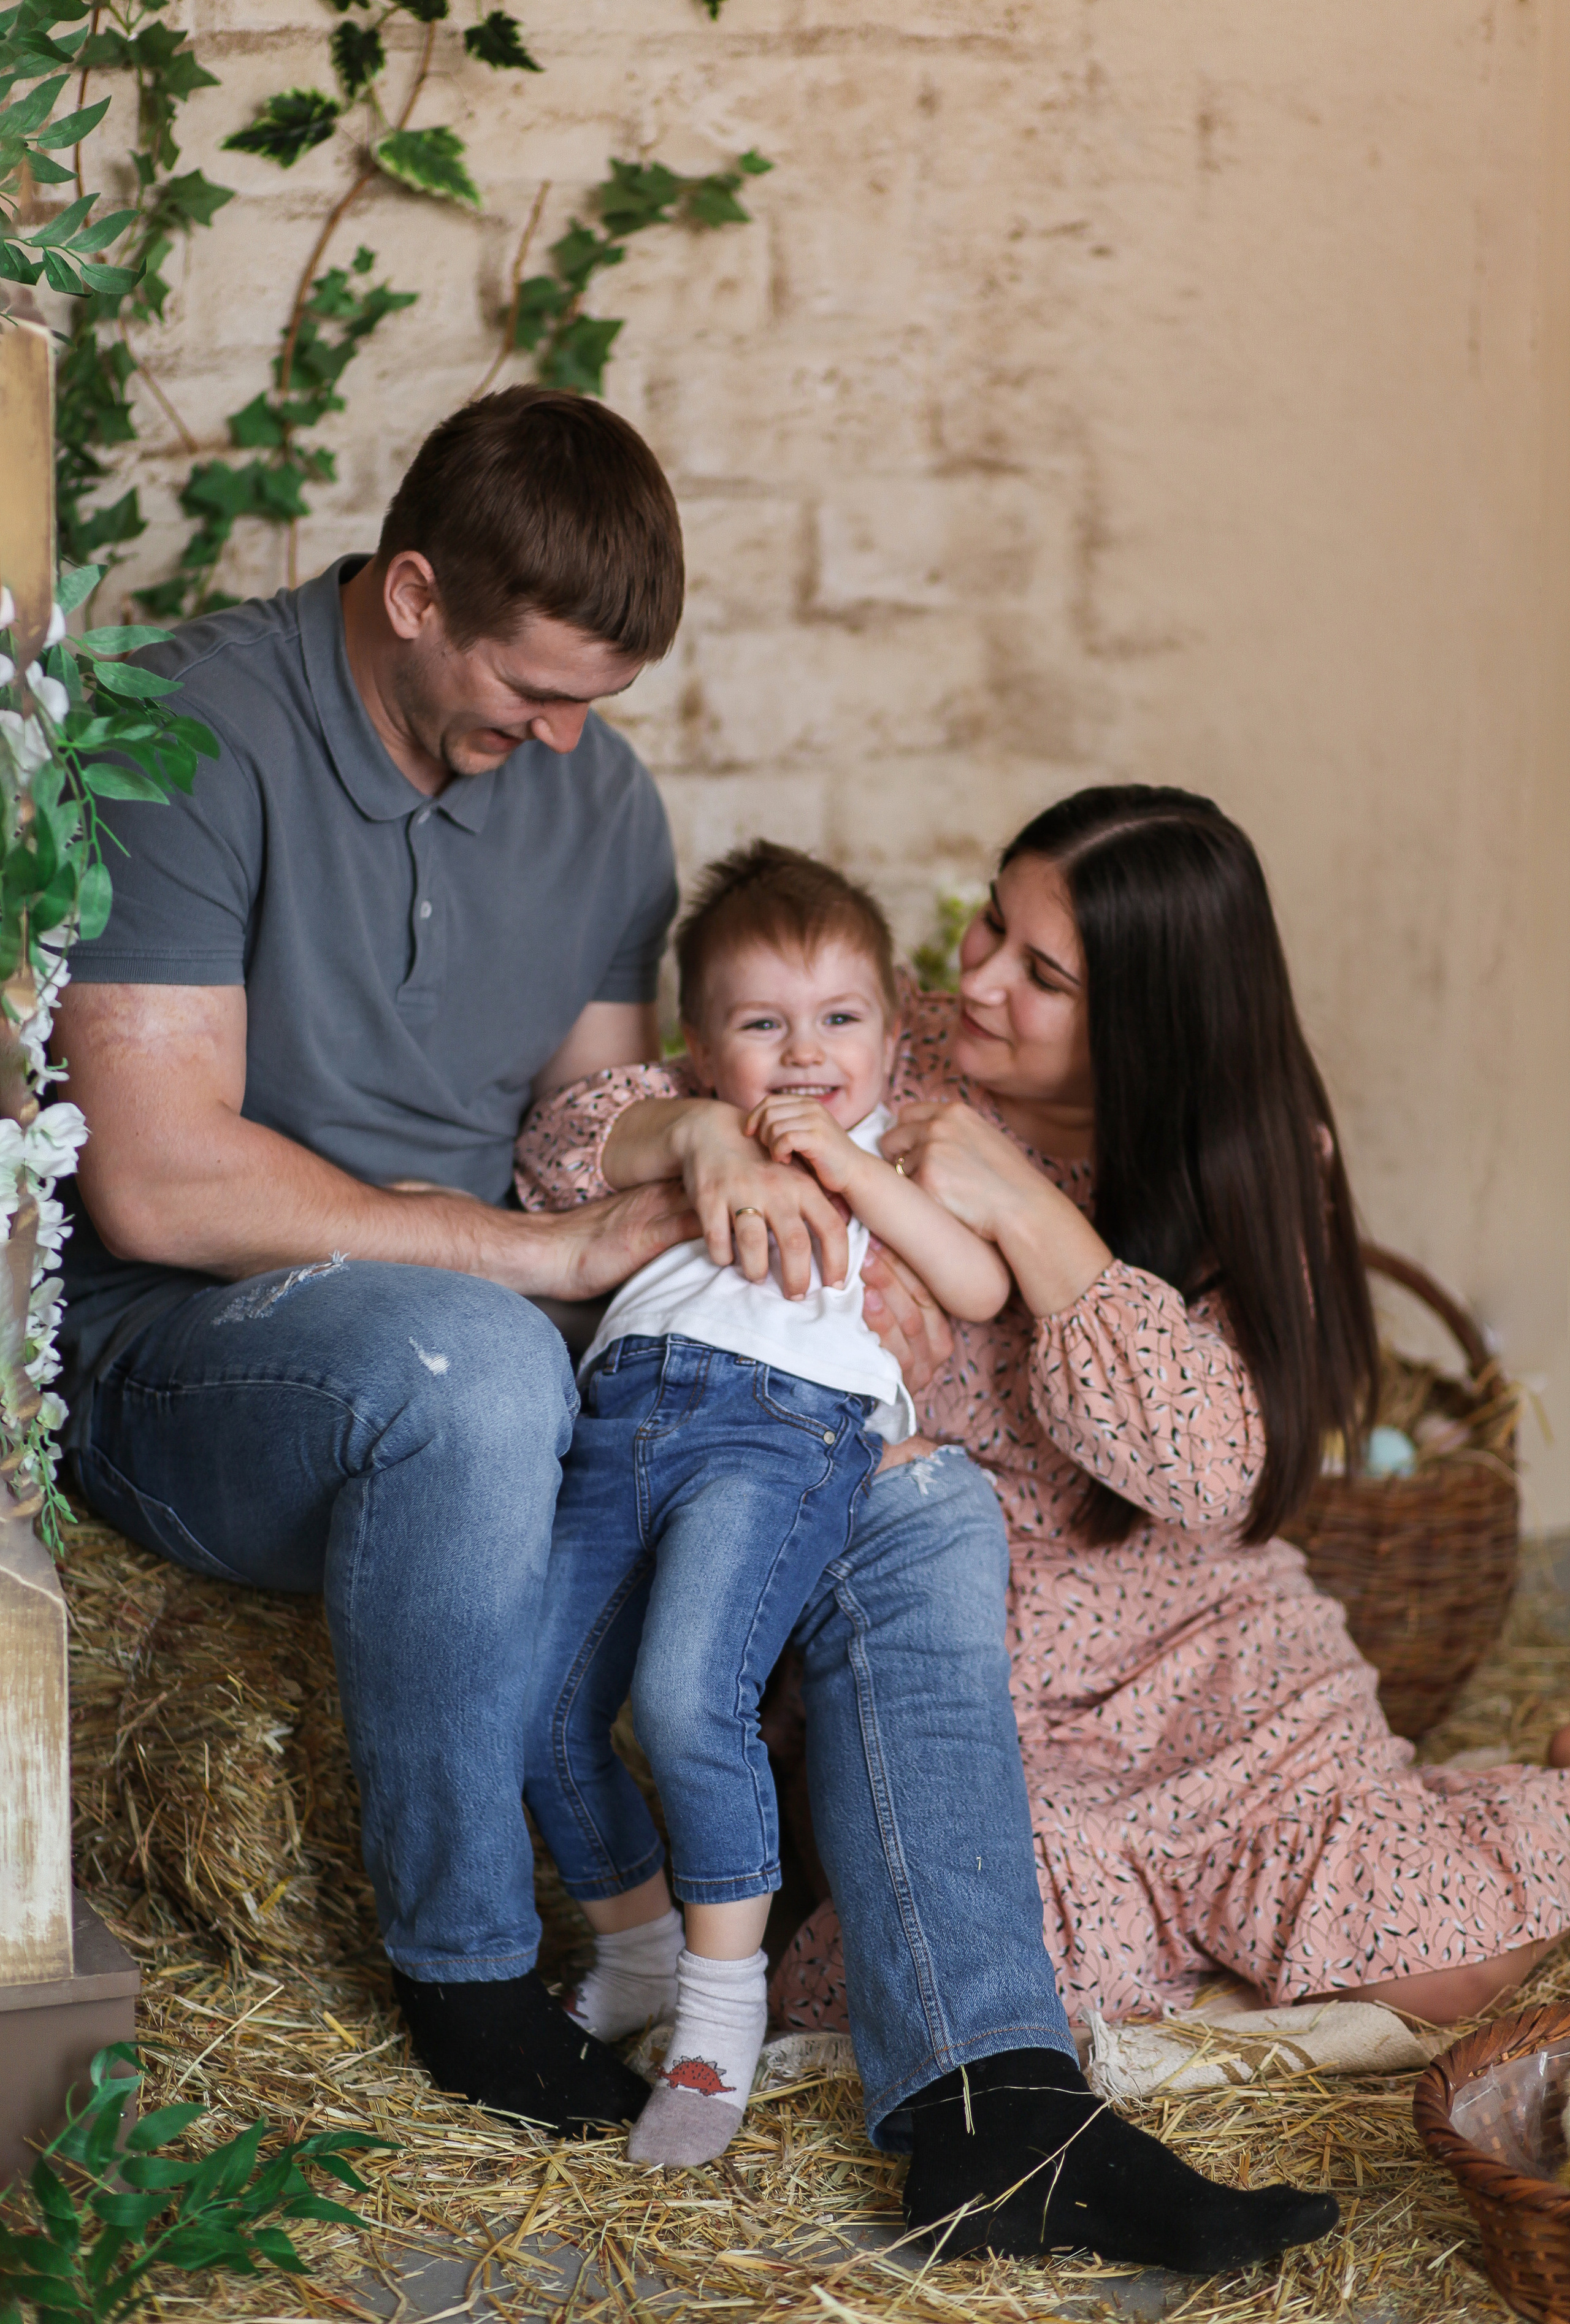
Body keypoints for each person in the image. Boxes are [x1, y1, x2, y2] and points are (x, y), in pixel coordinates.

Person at [55, 393, 1333, 2270]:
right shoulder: (190, 725)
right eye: (536, 694)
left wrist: (694, 1178)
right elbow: (166, 1186)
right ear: (413, 594)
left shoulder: (599, 798)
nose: (568, 743)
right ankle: (479, 1970)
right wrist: (629, 1191)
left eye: (598, 701)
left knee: (918, 1505)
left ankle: (996, 2114)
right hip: (236, 1339)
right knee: (471, 1365)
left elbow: (592, 1120)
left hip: (585, 1340)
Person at [524, 785, 1570, 2087]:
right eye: (985, 926)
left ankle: (1381, 1860)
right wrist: (694, 1134)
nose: (973, 978)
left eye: (1040, 973)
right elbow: (562, 1145)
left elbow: (1212, 1470)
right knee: (925, 1989)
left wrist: (1022, 1206)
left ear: (1144, 1024)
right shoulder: (879, 1046)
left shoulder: (1250, 1153)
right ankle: (1211, 1980)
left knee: (1446, 1957)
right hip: (964, 1665)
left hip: (1207, 1657)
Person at [518, 843, 1012, 2168]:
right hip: (623, 1410)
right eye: (762, 1023)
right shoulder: (682, 1125)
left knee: (687, 1698)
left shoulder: (889, 1148)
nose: (806, 1053)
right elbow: (546, 1155)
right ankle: (629, 1952)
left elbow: (973, 1288)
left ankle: (713, 2017)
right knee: (534, 1697)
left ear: (894, 1026)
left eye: (839, 1018)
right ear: (700, 1042)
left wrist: (856, 1176)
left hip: (783, 1428)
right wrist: (696, 1138)